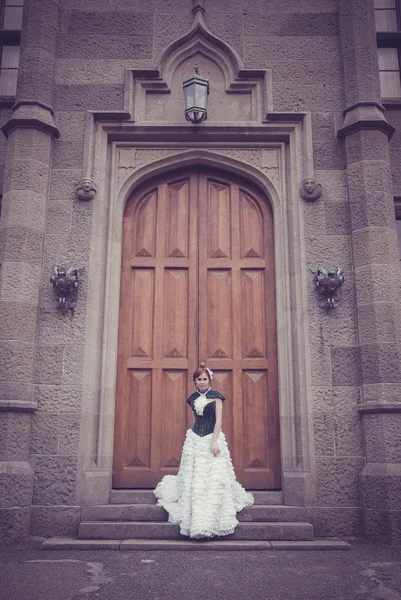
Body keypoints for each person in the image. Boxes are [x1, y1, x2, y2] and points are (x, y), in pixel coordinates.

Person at [153, 363, 254, 539]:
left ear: (210, 380)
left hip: (211, 440)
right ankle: (197, 521)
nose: (202, 382)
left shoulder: (217, 397)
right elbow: (195, 419)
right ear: (195, 381)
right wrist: (194, 440)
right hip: (194, 440)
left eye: (204, 379)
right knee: (196, 481)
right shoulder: (192, 398)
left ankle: (212, 519)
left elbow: (219, 420)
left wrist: (214, 441)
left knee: (212, 480)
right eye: (199, 379)